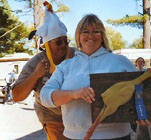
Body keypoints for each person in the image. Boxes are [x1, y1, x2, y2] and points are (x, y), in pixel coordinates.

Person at [40, 14, 150, 140]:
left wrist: (144, 114)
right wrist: (74, 94)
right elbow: (45, 96)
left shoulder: (120, 61)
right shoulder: (65, 66)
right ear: (78, 37)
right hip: (74, 137)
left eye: (96, 32)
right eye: (85, 32)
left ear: (102, 36)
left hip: (117, 136)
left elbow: (143, 90)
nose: (91, 36)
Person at [12, 2, 76, 140]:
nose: (64, 45)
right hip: (53, 117)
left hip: (77, 113)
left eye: (66, 41)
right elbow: (17, 96)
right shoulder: (35, 63)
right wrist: (36, 74)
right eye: (58, 42)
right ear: (47, 44)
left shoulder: (77, 56)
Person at [134, 57, 151, 140]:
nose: (140, 63)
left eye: (141, 61)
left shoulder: (146, 72)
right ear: (136, 63)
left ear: (144, 63)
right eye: (138, 61)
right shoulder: (133, 72)